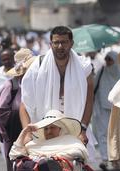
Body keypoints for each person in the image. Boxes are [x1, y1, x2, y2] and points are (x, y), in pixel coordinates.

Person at [20, 25, 96, 159]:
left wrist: (82, 129)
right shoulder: (37, 67)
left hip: (73, 129)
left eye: (64, 42)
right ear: (50, 44)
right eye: (56, 42)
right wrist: (26, 133)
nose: (60, 46)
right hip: (44, 130)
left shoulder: (83, 66)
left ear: (71, 43)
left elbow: (89, 102)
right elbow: (25, 104)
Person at [0, 48, 36, 171]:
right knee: (16, 168)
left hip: (34, 132)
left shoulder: (35, 84)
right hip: (14, 133)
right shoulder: (10, 85)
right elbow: (0, 110)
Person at [91, 51, 120, 171]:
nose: (108, 62)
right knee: (103, 133)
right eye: (107, 59)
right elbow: (93, 87)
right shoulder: (101, 72)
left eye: (110, 59)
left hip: (118, 108)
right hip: (101, 107)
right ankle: (105, 159)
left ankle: (117, 159)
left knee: (118, 134)